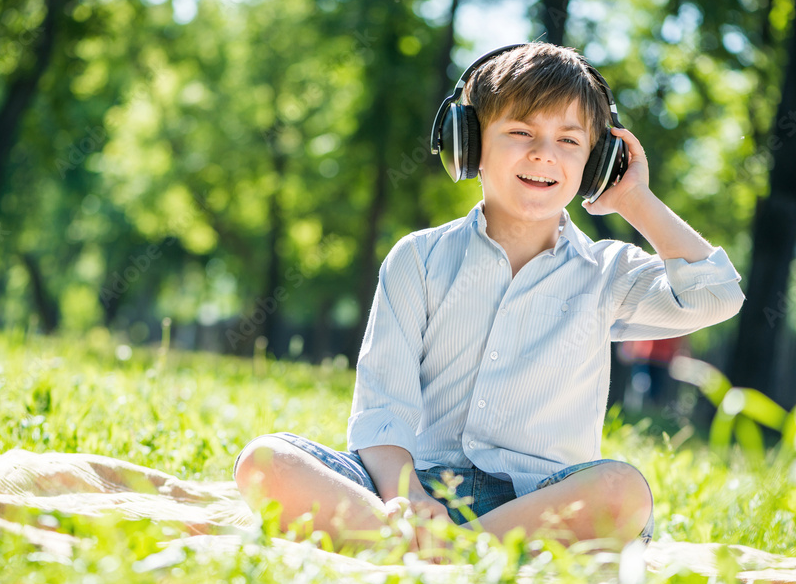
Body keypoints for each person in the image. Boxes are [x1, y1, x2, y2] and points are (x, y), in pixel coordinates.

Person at [233, 42, 744, 556]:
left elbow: (717, 296)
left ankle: (440, 550)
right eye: (520, 132)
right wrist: (406, 496)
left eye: (569, 141)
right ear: (468, 143)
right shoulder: (419, 258)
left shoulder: (608, 272)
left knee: (621, 491)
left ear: (596, 163)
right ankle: (439, 545)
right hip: (414, 483)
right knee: (265, 461)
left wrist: (634, 199)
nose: (544, 153)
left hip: (534, 500)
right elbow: (383, 407)